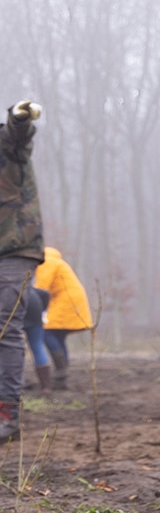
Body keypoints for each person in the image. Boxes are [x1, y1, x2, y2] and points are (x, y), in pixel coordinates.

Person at [0, 99, 45, 443]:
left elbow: (18, 135)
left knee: (4, 326)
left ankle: (7, 414)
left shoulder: (7, 144)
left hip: (15, 247)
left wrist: (19, 116)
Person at [35, 247, 93, 390]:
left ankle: (61, 372)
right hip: (69, 299)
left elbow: (41, 287)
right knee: (58, 336)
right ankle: (62, 377)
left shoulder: (47, 261)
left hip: (66, 299)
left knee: (47, 332)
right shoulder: (55, 261)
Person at [24, 287, 53, 396]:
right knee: (37, 345)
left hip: (15, 312)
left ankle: (13, 383)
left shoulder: (6, 285)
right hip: (34, 311)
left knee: (11, 347)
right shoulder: (26, 285)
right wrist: (42, 311)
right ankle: (46, 387)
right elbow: (45, 294)